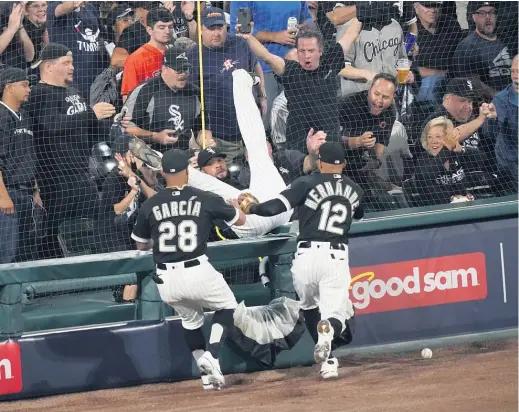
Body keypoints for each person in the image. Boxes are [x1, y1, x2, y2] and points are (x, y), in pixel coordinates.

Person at [131, 69, 302, 238]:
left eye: (220, 159)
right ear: (201, 167)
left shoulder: (213, 189)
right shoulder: (206, 194)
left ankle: (242, 78)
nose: (218, 164)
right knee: (256, 153)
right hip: (274, 210)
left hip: (259, 210)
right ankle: (242, 78)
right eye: (211, 163)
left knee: (257, 152)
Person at [244, 141, 364, 379]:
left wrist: (252, 208)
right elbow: (358, 214)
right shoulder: (355, 188)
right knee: (336, 315)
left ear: (320, 162)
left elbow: (275, 208)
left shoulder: (306, 182)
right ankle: (328, 334)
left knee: (309, 307)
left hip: (306, 256)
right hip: (335, 256)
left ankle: (328, 362)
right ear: (344, 164)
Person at [131, 148, 246, 390]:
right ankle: (212, 356)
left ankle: (206, 377)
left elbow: (141, 245)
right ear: (187, 172)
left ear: (162, 172)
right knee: (226, 306)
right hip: (197, 270)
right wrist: (237, 206)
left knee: (191, 321)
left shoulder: (150, 204)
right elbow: (240, 221)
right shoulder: (203, 197)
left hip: (166, 280)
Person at [27, 43, 116, 258]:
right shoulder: (40, 93)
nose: (72, 67)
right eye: (66, 63)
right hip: (55, 180)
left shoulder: (74, 91)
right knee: (54, 235)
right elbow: (53, 124)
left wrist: (108, 120)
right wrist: (91, 115)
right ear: (48, 67)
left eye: (72, 62)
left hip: (82, 175)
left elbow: (88, 130)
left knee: (92, 229)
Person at [240, 24, 356, 150]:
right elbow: (267, 57)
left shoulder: (330, 64)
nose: (306, 56)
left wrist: (364, 10)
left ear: (320, 51)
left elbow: (349, 36)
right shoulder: (291, 71)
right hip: (298, 145)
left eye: (311, 51)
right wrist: (248, 37)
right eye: (302, 51)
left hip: (329, 142)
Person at [186, 7, 266, 162]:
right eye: (211, 28)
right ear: (201, 29)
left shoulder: (239, 43)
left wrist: (263, 95)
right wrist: (201, 132)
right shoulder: (194, 57)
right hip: (219, 136)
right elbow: (192, 98)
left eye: (219, 27)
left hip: (249, 129)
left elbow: (255, 65)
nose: (216, 33)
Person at [229, 1, 313, 129]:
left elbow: (307, 19)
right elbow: (240, 30)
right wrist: (274, 36)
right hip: (262, 68)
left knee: (296, 122)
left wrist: (303, 28)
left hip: (295, 66)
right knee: (264, 123)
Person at [122, 45, 211, 152]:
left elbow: (202, 128)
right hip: (151, 156)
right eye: (178, 70)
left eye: (186, 69)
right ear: (164, 69)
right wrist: (155, 136)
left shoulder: (195, 93)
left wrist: (206, 139)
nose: (183, 74)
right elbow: (125, 128)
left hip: (186, 156)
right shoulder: (145, 91)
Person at [0, 68, 37, 263]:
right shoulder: (2, 117)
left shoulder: (25, 115)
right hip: (9, 194)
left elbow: (29, 155)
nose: (28, 89)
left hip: (26, 193)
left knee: (23, 252)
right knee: (8, 253)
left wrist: (36, 189)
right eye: (24, 85)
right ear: (9, 87)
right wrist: (3, 197)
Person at [46, 1, 108, 98]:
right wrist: (75, 3)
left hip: (95, 80)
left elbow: (104, 36)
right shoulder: (54, 7)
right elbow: (63, 8)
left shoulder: (90, 8)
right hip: (71, 81)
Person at [453, 2, 512, 100]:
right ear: (474, 17)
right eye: (482, 13)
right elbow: (472, 83)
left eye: (492, 12)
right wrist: (501, 99)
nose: (488, 17)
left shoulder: (509, 41)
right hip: (490, 103)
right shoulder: (466, 47)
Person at [121, 7, 174, 101]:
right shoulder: (136, 59)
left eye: (170, 27)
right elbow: (128, 99)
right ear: (149, 30)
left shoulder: (173, 53)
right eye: (161, 27)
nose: (167, 31)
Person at [484, 54, 519, 191]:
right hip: (511, 165)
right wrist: (492, 118)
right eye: (513, 71)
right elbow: (490, 133)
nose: (515, 76)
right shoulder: (501, 99)